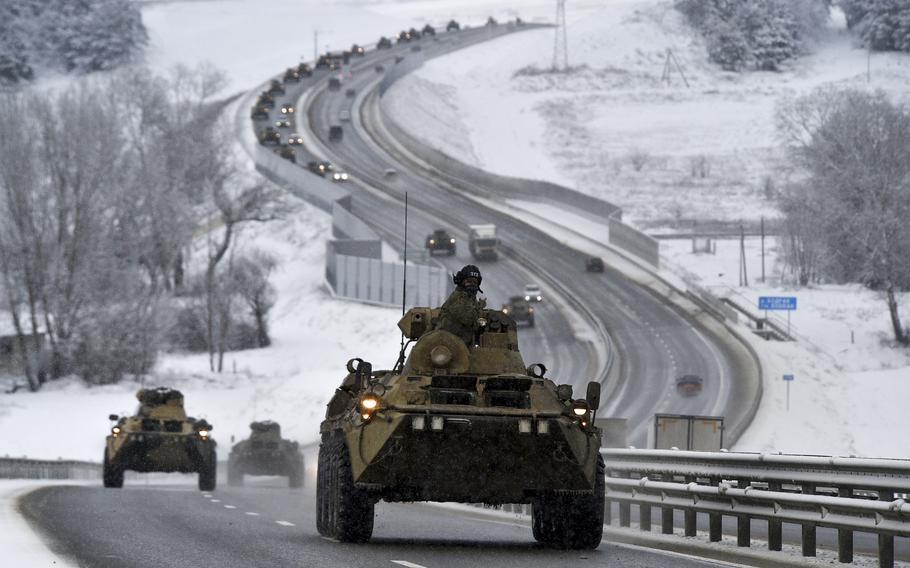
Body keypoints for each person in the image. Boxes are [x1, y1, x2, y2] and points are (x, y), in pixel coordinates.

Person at [435, 265, 486, 346]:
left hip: (459, 344)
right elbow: (469, 320)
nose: (472, 285)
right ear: (461, 282)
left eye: (475, 282)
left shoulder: (470, 298)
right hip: (447, 344)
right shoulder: (459, 297)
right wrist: (479, 308)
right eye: (468, 281)